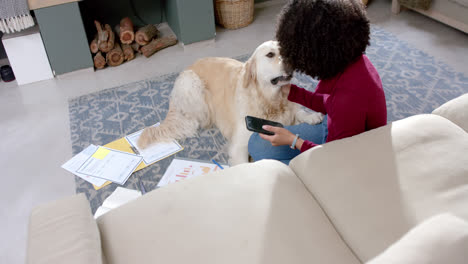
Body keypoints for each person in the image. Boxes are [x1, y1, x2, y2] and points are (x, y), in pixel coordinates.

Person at [248, 0, 387, 165]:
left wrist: (294, 141)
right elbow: (330, 103)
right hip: (335, 128)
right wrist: (293, 92)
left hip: (347, 156)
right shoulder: (352, 61)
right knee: (257, 143)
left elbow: (333, 159)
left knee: (269, 159)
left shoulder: (348, 100)